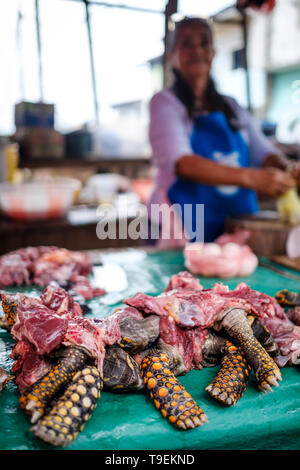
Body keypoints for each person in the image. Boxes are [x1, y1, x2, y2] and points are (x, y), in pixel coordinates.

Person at [148, 17, 300, 244]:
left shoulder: (232, 106)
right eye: (186, 44)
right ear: (171, 54)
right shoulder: (164, 103)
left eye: (204, 43)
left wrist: (287, 170)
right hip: (178, 230)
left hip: (232, 229)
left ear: (213, 52)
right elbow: (183, 163)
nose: (197, 50)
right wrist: (251, 177)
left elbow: (263, 152)